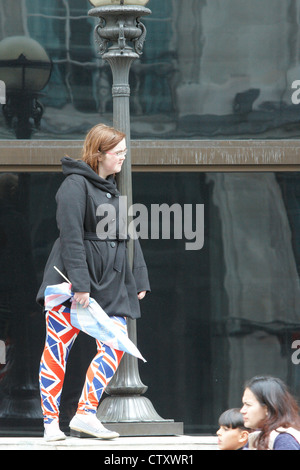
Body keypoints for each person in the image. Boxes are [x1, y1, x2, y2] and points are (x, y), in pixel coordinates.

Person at [37, 123, 150, 442]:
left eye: (125, 153)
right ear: (99, 153)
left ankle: (86, 413)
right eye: (118, 153)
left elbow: (128, 235)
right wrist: (80, 284)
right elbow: (71, 237)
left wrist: (138, 276)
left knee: (114, 345)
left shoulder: (112, 189)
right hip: (69, 285)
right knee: (58, 348)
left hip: (109, 282)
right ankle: (50, 422)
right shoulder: (74, 185)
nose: (122, 159)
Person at [240, 376, 300, 450]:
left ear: (267, 408)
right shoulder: (256, 437)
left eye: (248, 404)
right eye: (243, 404)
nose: (242, 410)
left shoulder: (284, 439)